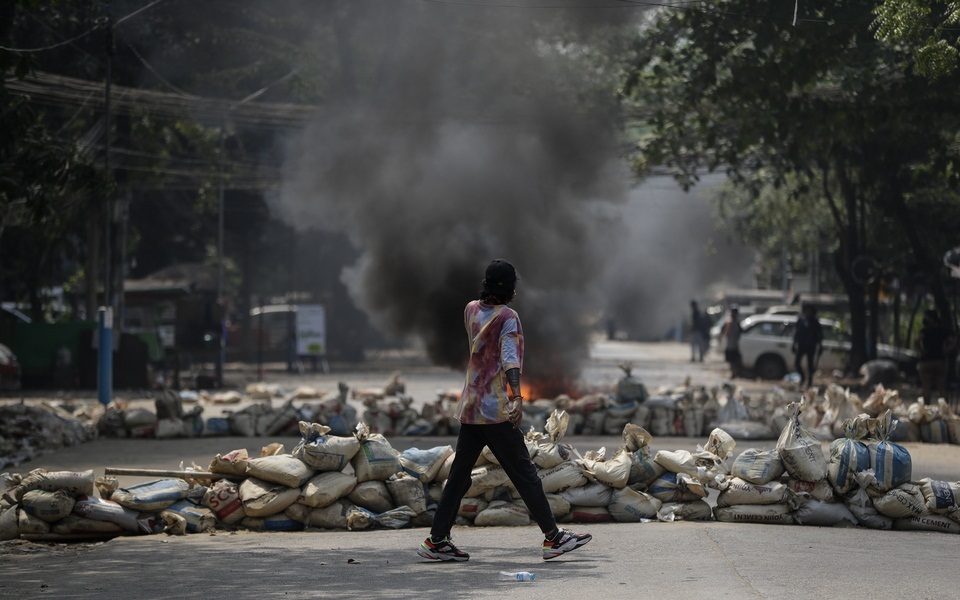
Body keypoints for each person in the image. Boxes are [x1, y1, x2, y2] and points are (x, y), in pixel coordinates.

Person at [418, 259, 591, 562]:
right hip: (495, 409)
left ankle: (437, 540)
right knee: (524, 472)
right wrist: (517, 397)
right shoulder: (508, 317)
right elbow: (509, 358)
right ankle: (553, 538)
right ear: (509, 288)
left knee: (459, 475)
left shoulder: (470, 309)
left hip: (471, 405)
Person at [916, 309, 956, 401]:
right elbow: (953, 342)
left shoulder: (924, 331)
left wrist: (921, 350)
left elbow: (917, 340)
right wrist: (947, 350)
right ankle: (945, 410)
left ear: (932, 319)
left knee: (926, 386)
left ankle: (926, 410)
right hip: (940, 361)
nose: (924, 319)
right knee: (941, 386)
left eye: (926, 317)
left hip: (926, 361)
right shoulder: (943, 331)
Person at [792, 304, 824, 388]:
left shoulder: (815, 322)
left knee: (810, 365)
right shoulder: (801, 320)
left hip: (811, 345)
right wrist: (794, 344)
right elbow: (797, 333)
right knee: (797, 363)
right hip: (801, 345)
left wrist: (820, 345)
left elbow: (819, 335)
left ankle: (809, 381)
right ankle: (802, 378)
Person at [721, 305, 742, 379]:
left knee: (733, 361)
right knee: (731, 361)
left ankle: (734, 373)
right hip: (730, 344)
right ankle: (734, 373)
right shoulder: (729, 322)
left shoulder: (736, 323)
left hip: (734, 345)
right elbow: (723, 331)